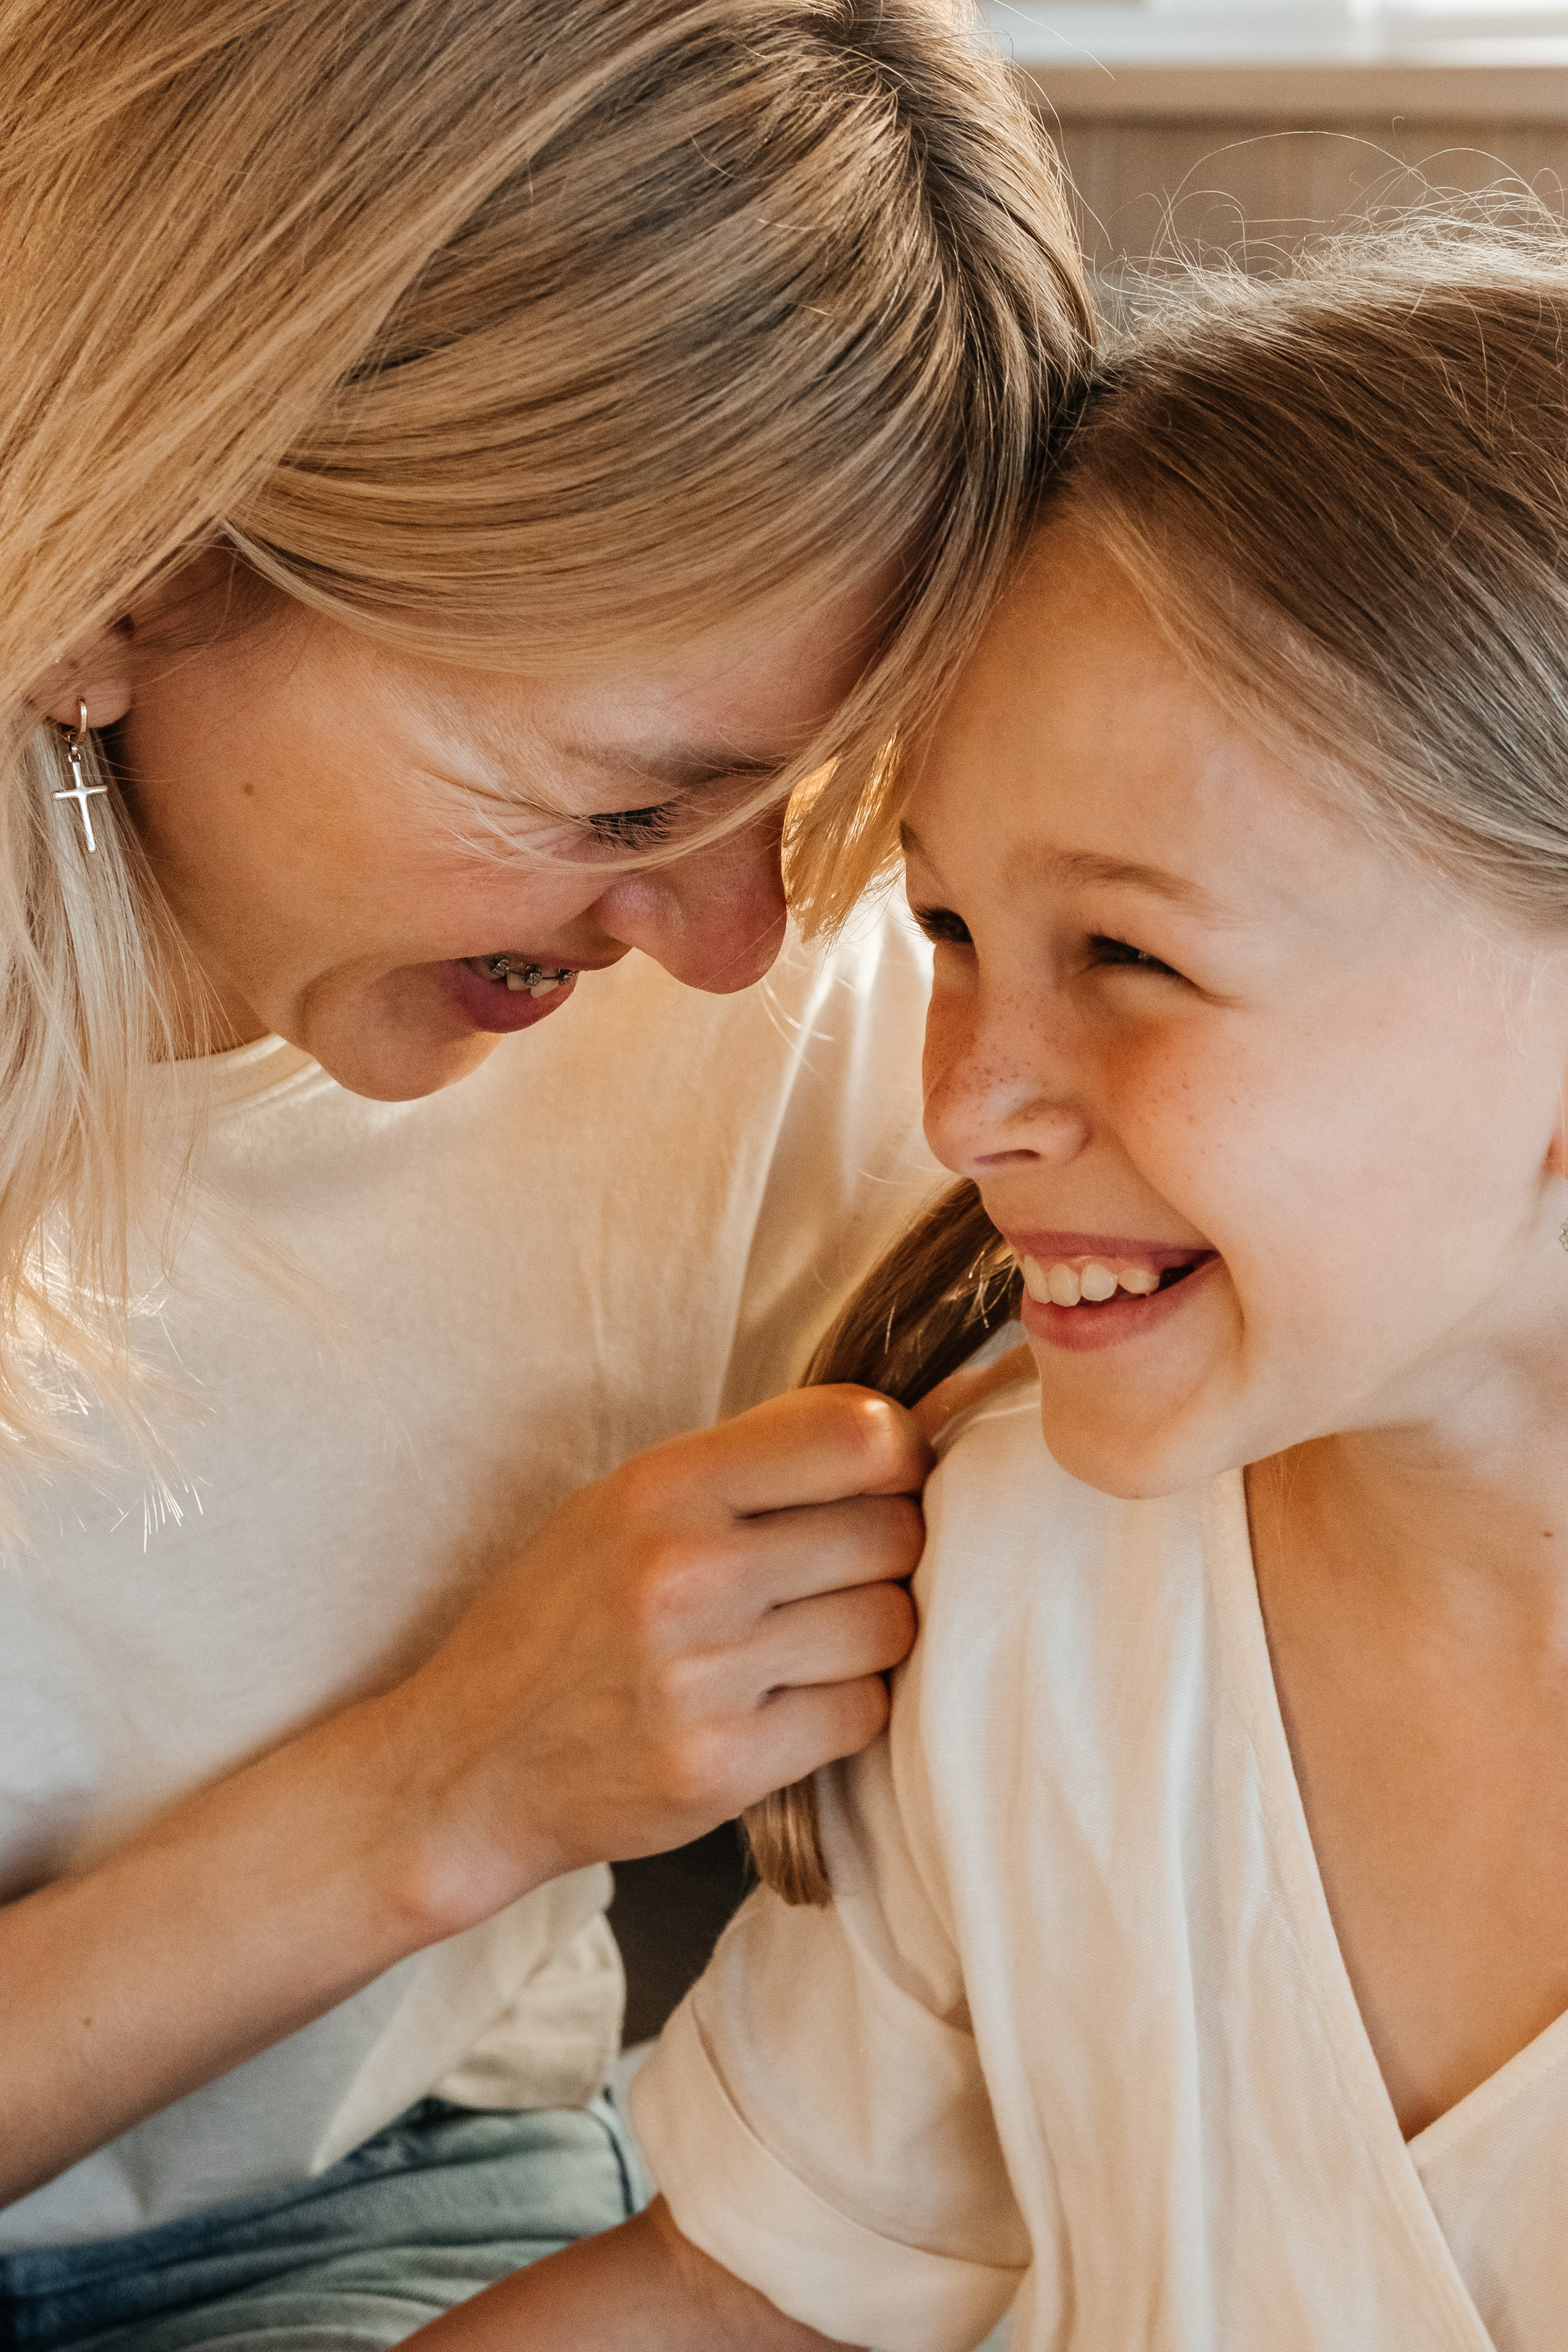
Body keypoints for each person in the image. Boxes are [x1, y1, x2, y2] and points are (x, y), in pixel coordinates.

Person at [0, 2, 1092, 2342]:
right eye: (614, 806)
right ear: (117, 577)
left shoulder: (782, 1008)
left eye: (794, 803)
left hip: (353, 2202)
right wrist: (443, 1789)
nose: (724, 951)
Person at [412, 222, 1568, 2352]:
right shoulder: (1025, 1574)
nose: (966, 1104)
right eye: (944, 933)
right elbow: (744, 2300)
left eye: (1131, 957)